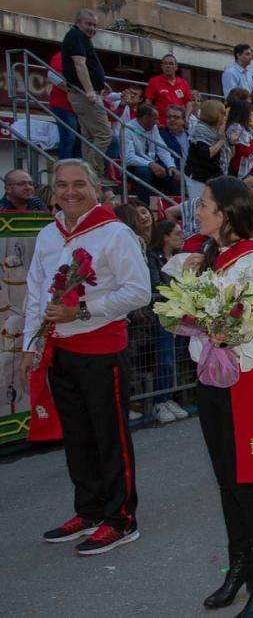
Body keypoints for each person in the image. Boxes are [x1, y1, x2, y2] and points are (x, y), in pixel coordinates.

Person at [23, 159, 150, 554]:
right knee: (76, 437)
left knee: (109, 437)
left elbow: (139, 292)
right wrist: (32, 344)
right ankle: (89, 509)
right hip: (60, 349)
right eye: (62, 185)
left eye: (79, 184)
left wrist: (81, 311)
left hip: (101, 349)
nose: (70, 192)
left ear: (95, 188)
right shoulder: (48, 234)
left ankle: (121, 518)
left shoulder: (115, 233)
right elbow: (35, 292)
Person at [181, 177, 253, 616]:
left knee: (247, 485)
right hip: (210, 383)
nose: (198, 210)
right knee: (227, 482)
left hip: (241, 383)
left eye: (204, 204)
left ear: (226, 212)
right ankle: (240, 565)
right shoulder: (209, 258)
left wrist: (232, 335)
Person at [62, 9, 113, 179]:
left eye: (95, 25)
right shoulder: (76, 36)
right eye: (88, 24)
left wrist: (99, 82)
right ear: (78, 22)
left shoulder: (81, 38)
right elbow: (79, 64)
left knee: (90, 136)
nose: (92, 28)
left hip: (84, 93)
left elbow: (86, 65)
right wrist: (90, 90)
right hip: (84, 95)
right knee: (105, 134)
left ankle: (86, 172)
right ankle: (87, 173)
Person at [147, 219, 189, 421]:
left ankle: (170, 397)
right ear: (165, 237)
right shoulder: (153, 257)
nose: (181, 237)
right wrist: (179, 289)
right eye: (177, 234)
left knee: (176, 356)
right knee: (165, 358)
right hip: (164, 313)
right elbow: (155, 284)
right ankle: (159, 401)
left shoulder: (182, 257)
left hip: (182, 312)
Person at [123, 104, 181, 203]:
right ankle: (145, 205)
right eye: (155, 119)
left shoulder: (153, 128)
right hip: (134, 166)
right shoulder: (127, 129)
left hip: (152, 162)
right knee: (144, 172)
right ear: (145, 118)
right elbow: (128, 158)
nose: (158, 122)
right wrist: (150, 164)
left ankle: (173, 207)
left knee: (173, 172)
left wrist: (171, 166)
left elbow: (162, 148)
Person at [185, 99, 227, 201]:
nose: (224, 117)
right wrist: (221, 141)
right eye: (222, 114)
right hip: (198, 176)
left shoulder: (216, 132)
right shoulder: (200, 130)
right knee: (198, 205)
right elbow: (206, 154)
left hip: (213, 176)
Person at [47, 51, 81, 160]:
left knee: (79, 141)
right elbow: (53, 75)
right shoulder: (62, 56)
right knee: (69, 138)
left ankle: (77, 169)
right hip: (63, 105)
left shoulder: (82, 57)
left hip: (78, 107)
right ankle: (66, 168)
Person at [144, 54, 193, 127]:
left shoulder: (183, 83)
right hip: (162, 125)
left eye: (171, 63)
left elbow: (189, 103)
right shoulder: (154, 81)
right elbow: (148, 102)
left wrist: (186, 118)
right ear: (162, 66)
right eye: (165, 63)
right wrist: (153, 119)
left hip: (179, 125)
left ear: (176, 67)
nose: (168, 66)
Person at [226, 100, 253, 179]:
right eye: (250, 112)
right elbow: (245, 151)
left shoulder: (246, 129)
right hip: (241, 169)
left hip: (252, 168)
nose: (252, 114)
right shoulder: (236, 128)